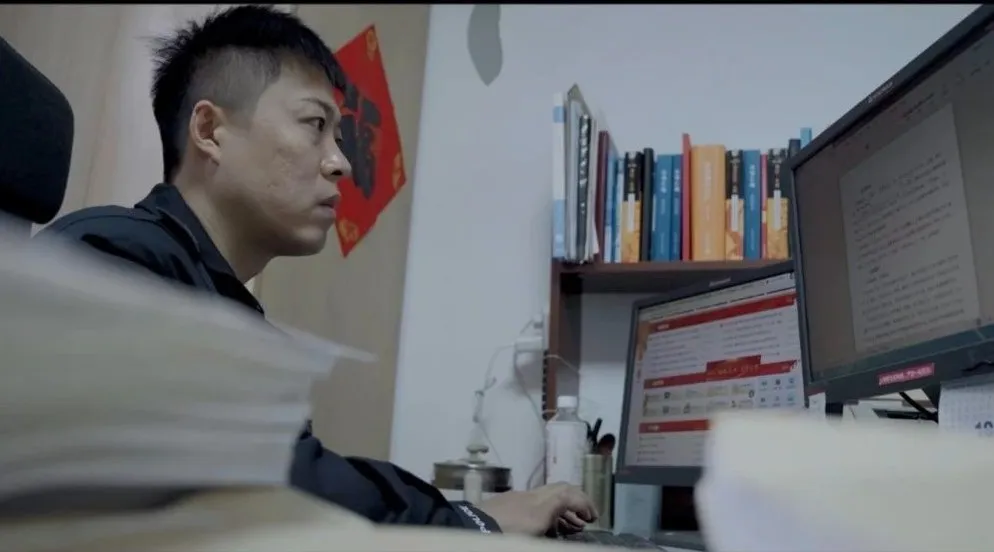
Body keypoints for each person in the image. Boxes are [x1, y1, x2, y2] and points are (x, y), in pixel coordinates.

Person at [38, 5, 596, 537]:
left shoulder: (217, 303)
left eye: (339, 136)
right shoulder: (114, 259)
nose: (341, 162)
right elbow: (274, 491)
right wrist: (473, 520)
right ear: (209, 130)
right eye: (314, 125)